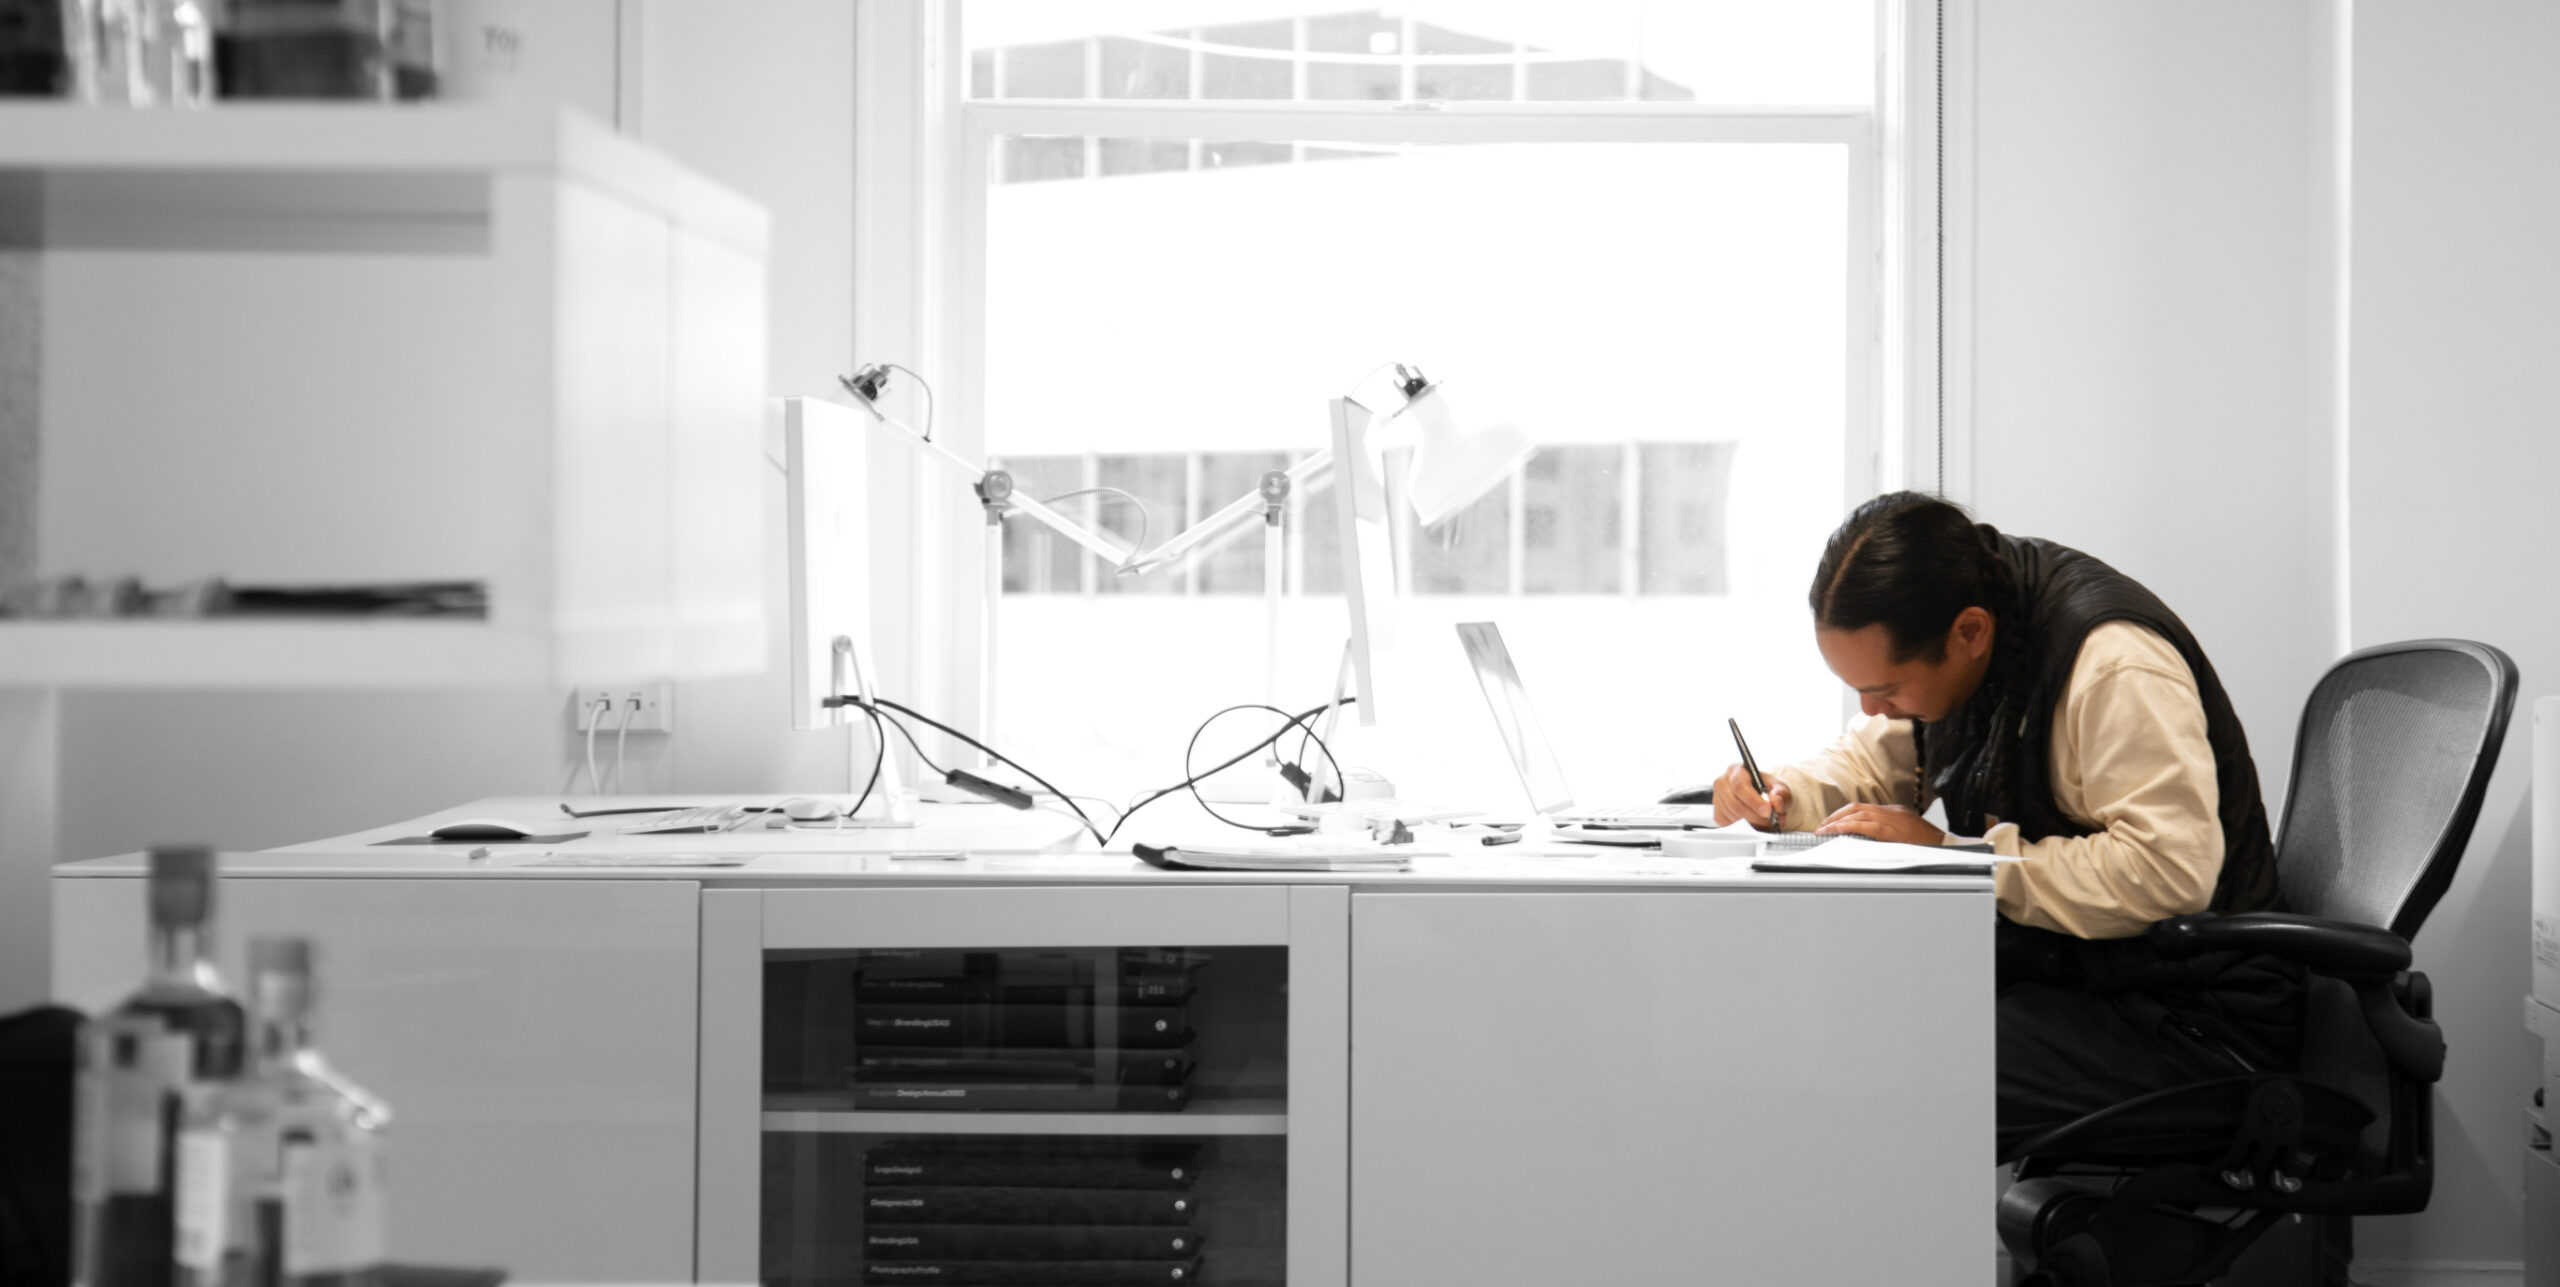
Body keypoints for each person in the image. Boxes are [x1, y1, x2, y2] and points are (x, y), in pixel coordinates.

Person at [1710, 490, 2300, 1159]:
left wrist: (1957, 855)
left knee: (1893, 1080)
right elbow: (1872, 758)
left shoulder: (2110, 664)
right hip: (2091, 977)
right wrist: (1784, 794)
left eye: (1888, 688)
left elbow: (2167, 873)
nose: (1873, 708)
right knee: (1842, 1029)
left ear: (1969, 633)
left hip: (2200, 1015)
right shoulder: (1972, 629)